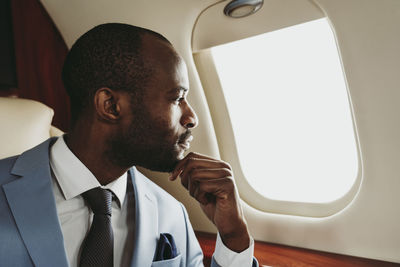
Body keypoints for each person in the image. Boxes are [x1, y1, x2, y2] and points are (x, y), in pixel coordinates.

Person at [0, 23, 257, 267]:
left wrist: (234, 236)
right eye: (177, 98)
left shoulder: (172, 213)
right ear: (110, 106)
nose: (192, 118)